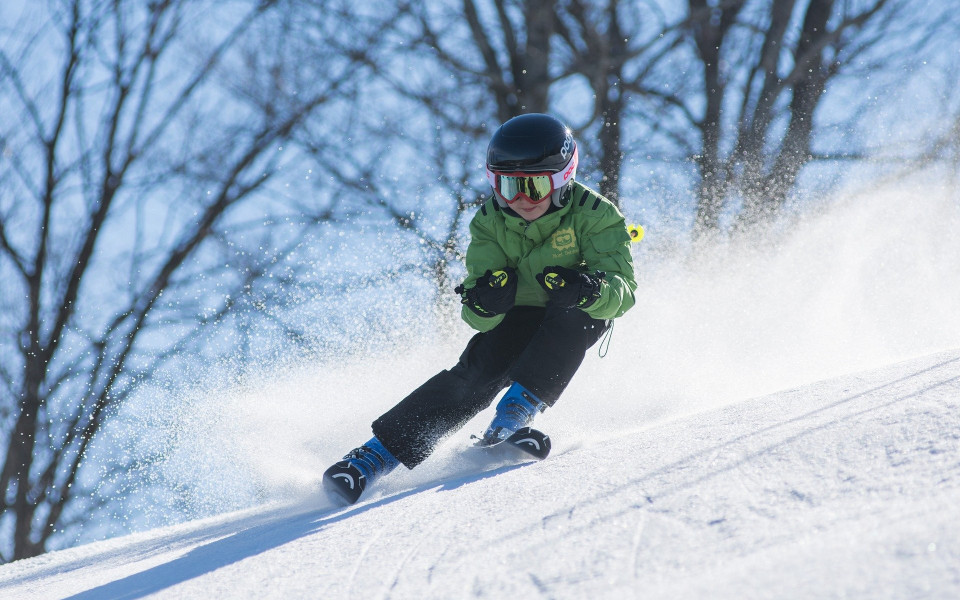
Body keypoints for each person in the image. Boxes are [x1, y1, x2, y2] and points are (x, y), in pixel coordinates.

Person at [322, 113, 637, 505]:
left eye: (534, 186)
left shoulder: (596, 214)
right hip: (517, 315)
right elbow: (475, 314)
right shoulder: (489, 221)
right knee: (478, 370)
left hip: (570, 310)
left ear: (561, 180)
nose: (519, 200)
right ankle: (371, 459)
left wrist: (589, 289)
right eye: (507, 186)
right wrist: (486, 301)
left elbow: (623, 293)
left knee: (581, 317)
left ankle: (512, 418)